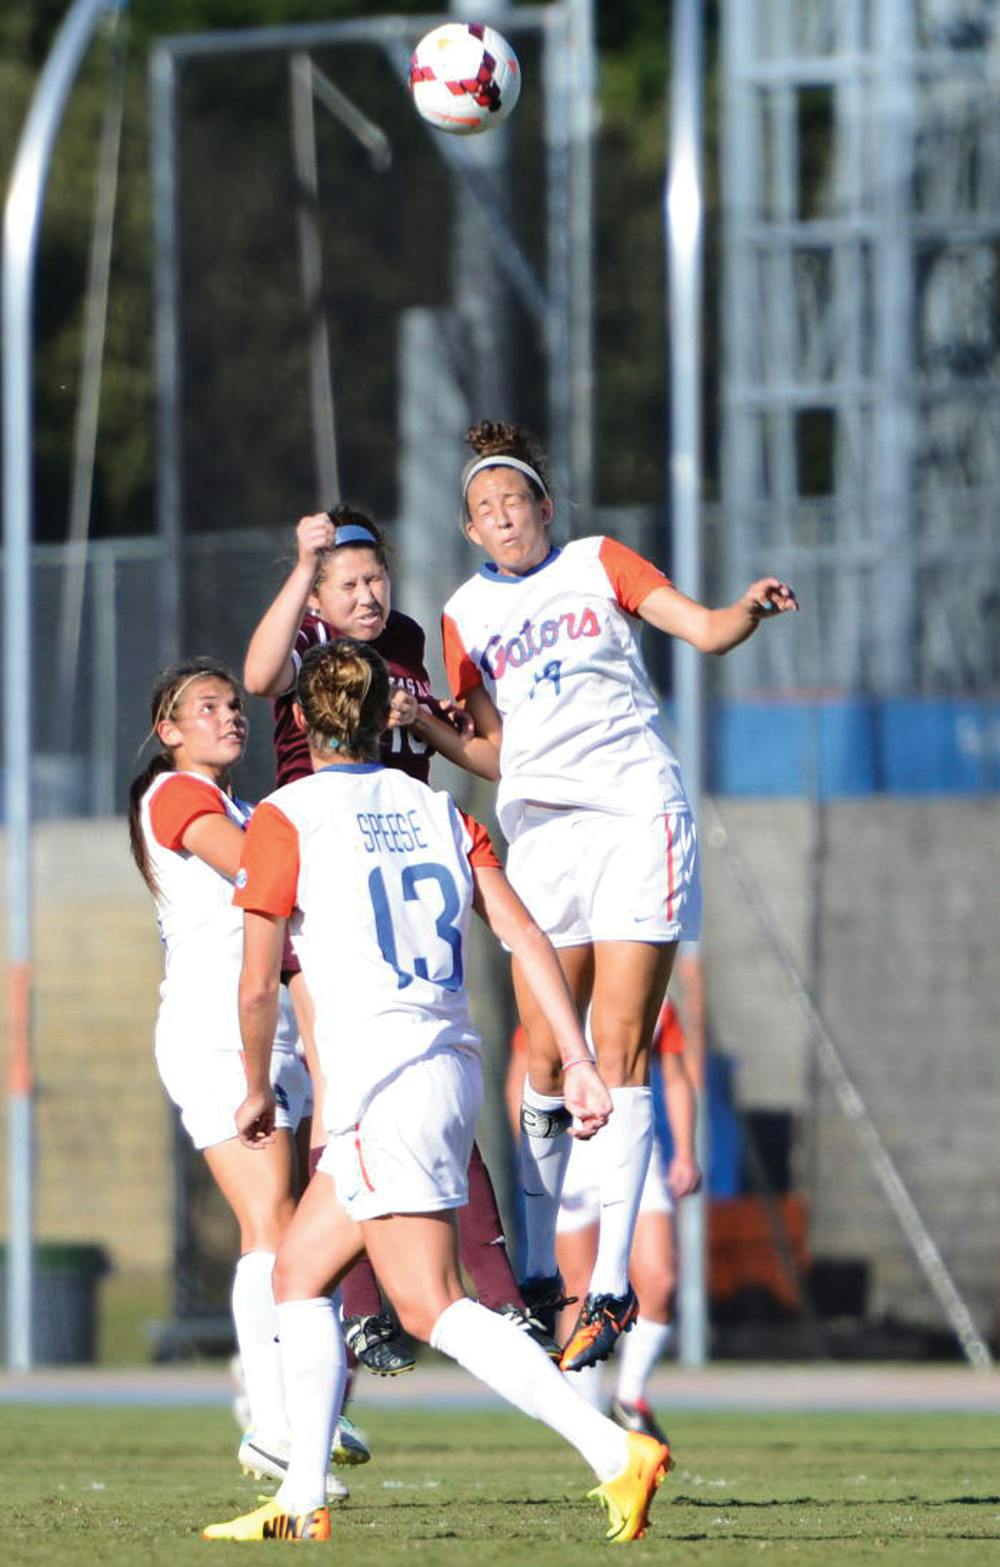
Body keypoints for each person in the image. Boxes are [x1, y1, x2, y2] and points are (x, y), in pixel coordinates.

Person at [201, 638, 666, 1546]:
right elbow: (525, 935)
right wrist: (574, 1056)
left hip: (380, 1078)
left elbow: (259, 983)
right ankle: (301, 1498)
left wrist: (256, 1083)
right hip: (443, 1064)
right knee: (300, 1274)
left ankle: (613, 1449)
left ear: (298, 719)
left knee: (430, 1303)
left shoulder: (286, 815)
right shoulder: (439, 807)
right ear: (386, 719)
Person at [441, 419, 798, 1373]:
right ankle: (541, 1271)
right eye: (485, 508)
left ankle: (606, 1286)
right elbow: (494, 747)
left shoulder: (599, 561)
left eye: (514, 499)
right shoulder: (464, 613)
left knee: (619, 1045)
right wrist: (428, 732)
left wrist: (748, 609)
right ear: (471, 531)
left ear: (544, 509)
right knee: (545, 1058)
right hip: (544, 834)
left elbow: (707, 629)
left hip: (636, 809)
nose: (502, 515)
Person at [242, 507, 550, 1366]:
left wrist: (430, 722)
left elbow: (486, 752)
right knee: (343, 1081)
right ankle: (363, 1300)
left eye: (375, 577)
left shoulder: (413, 639)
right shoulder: (305, 635)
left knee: (426, 1074)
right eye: (348, 582)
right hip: (331, 884)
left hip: (404, 875)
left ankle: (499, 1290)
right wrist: (304, 566)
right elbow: (261, 674)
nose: (367, 595)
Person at [127, 657, 346, 1502]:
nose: (230, 715)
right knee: (271, 1220)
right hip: (214, 1034)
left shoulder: (248, 805)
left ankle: (286, 1405)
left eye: (232, 704)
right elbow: (261, 869)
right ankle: (273, 1418)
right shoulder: (179, 795)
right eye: (206, 707)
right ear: (171, 730)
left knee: (286, 1228)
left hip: (267, 1037)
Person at [507, 950, 703, 1446]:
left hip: (634, 1148)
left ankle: (631, 1396)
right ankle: (588, 1417)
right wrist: (536, 1152)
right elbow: (527, 1075)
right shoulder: (558, 994)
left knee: (659, 1279)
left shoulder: (651, 997)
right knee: (577, 1286)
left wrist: (685, 1152)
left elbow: (676, 1079)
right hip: (573, 1150)